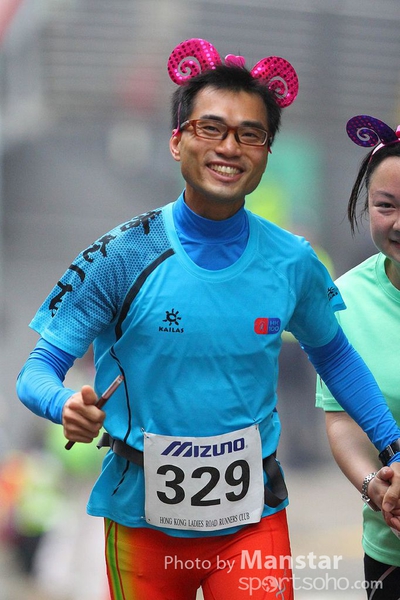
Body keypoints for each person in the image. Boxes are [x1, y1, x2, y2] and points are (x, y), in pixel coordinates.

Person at [15, 38, 400, 600]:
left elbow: (336, 358)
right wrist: (64, 404)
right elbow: (36, 370)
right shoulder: (120, 255)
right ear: (177, 140)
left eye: (250, 134)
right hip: (140, 523)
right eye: (211, 128)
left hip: (252, 522)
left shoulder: (293, 262)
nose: (229, 147)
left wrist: (393, 448)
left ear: (267, 151)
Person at [316, 114, 400, 599]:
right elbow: (342, 418)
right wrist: (375, 486)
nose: (399, 223)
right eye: (386, 205)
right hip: (391, 549)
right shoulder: (345, 299)